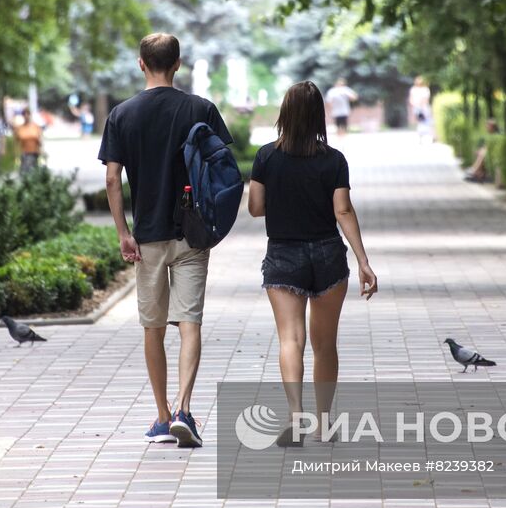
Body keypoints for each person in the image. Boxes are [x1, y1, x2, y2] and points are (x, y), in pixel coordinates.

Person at [99, 33, 233, 448]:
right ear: (178, 64)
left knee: (153, 327)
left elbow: (111, 178)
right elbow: (223, 167)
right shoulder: (201, 109)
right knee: (189, 323)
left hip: (148, 237)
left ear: (142, 64)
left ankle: (161, 417)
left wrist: (123, 232)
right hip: (192, 234)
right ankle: (183, 409)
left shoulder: (122, 115)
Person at [249, 82, 377, 445]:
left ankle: (295, 421)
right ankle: (323, 425)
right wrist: (363, 261)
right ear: (320, 113)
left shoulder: (266, 157)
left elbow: (256, 208)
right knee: (325, 345)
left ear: (285, 113)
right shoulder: (333, 159)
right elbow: (343, 210)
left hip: (283, 255)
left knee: (291, 340)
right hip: (327, 255)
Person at [13, 108, 44, 172]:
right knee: (25, 170)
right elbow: (16, 141)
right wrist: (16, 154)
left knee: (33, 171)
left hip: (34, 152)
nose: (26, 116)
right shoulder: (19, 128)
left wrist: (41, 151)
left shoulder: (36, 127)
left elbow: (40, 140)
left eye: (28, 114)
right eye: (24, 114)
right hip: (24, 153)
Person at [408, 76, 432, 141]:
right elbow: (411, 99)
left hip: (422, 107)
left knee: (424, 121)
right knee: (422, 122)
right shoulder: (414, 89)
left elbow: (425, 99)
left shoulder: (424, 89)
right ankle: (422, 136)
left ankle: (424, 135)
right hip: (419, 108)